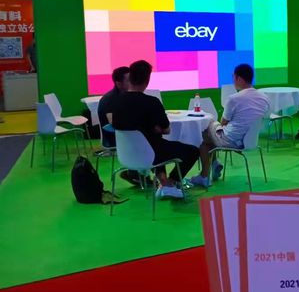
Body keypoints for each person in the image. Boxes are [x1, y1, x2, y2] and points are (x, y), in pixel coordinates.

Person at [112, 60, 199, 199]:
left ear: (131, 78)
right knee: (192, 151)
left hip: (126, 154)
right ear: (147, 80)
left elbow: (117, 125)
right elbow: (166, 129)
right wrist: (155, 128)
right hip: (150, 153)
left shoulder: (117, 102)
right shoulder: (152, 102)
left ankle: (163, 182)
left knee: (157, 143)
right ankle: (171, 183)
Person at [195, 64, 270, 186]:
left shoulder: (234, 98)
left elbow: (223, 122)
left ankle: (204, 176)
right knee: (209, 137)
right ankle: (214, 164)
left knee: (204, 133)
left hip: (230, 140)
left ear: (238, 78)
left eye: (233, 77)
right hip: (251, 141)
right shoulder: (265, 98)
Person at [97, 66, 130, 148]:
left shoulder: (126, 96)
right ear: (119, 83)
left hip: (126, 135)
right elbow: (113, 123)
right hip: (114, 139)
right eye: (129, 80)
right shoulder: (110, 99)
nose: (133, 82)